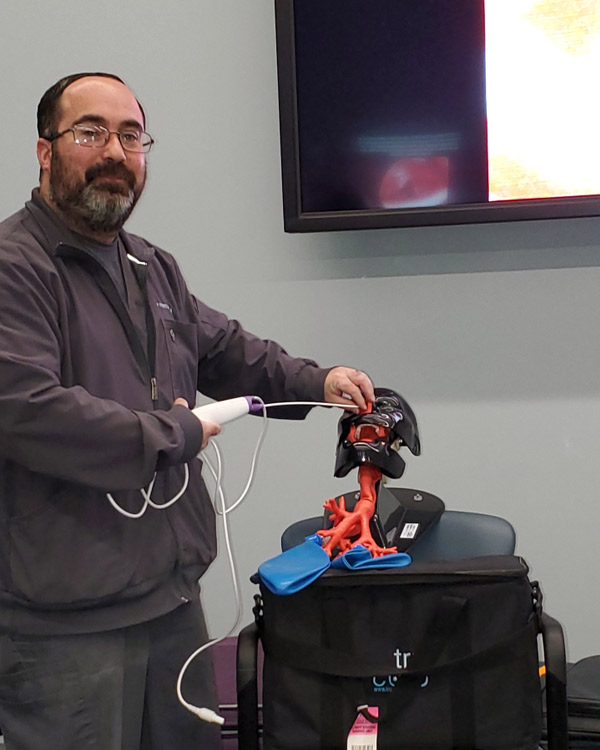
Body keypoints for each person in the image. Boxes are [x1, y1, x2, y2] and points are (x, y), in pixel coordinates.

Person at [0, 72, 375, 750]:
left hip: (171, 606)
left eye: (131, 135)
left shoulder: (151, 267)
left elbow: (225, 349)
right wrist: (176, 432)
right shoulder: (12, 269)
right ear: (44, 150)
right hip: (64, 628)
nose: (114, 151)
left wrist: (322, 383)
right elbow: (27, 411)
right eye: (90, 132)